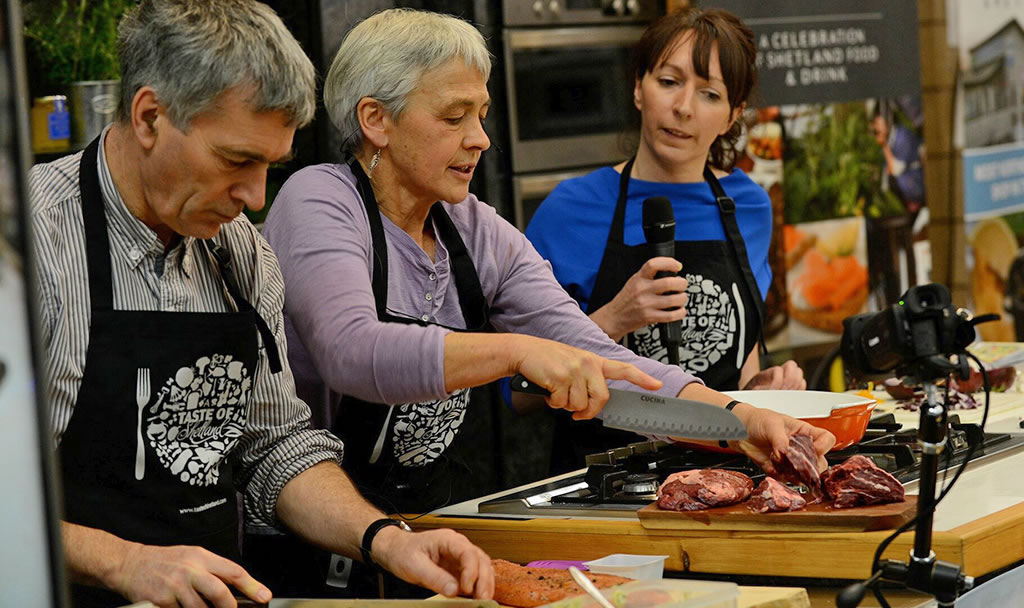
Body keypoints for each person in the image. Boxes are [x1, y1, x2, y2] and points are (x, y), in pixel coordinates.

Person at [263, 8, 834, 577]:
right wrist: (515, 350)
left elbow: (601, 358)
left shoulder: (471, 227)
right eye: (455, 116)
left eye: (482, 115)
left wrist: (741, 420)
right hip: (309, 544)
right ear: (376, 120)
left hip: (427, 528)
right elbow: (350, 351)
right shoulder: (319, 199)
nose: (481, 139)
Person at [28, 2, 493, 606]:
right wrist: (124, 562)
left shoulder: (240, 253)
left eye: (271, 166)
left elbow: (274, 445)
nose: (253, 199)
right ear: (149, 117)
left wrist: (384, 538)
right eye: (236, 160)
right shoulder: (31, 244)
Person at [525, 8, 807, 465]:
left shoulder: (748, 206)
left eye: (710, 93)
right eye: (669, 81)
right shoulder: (570, 210)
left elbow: (742, 352)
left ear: (733, 115)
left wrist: (756, 393)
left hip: (730, 477)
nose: (684, 108)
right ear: (639, 88)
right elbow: (516, 391)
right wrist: (616, 317)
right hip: (606, 487)